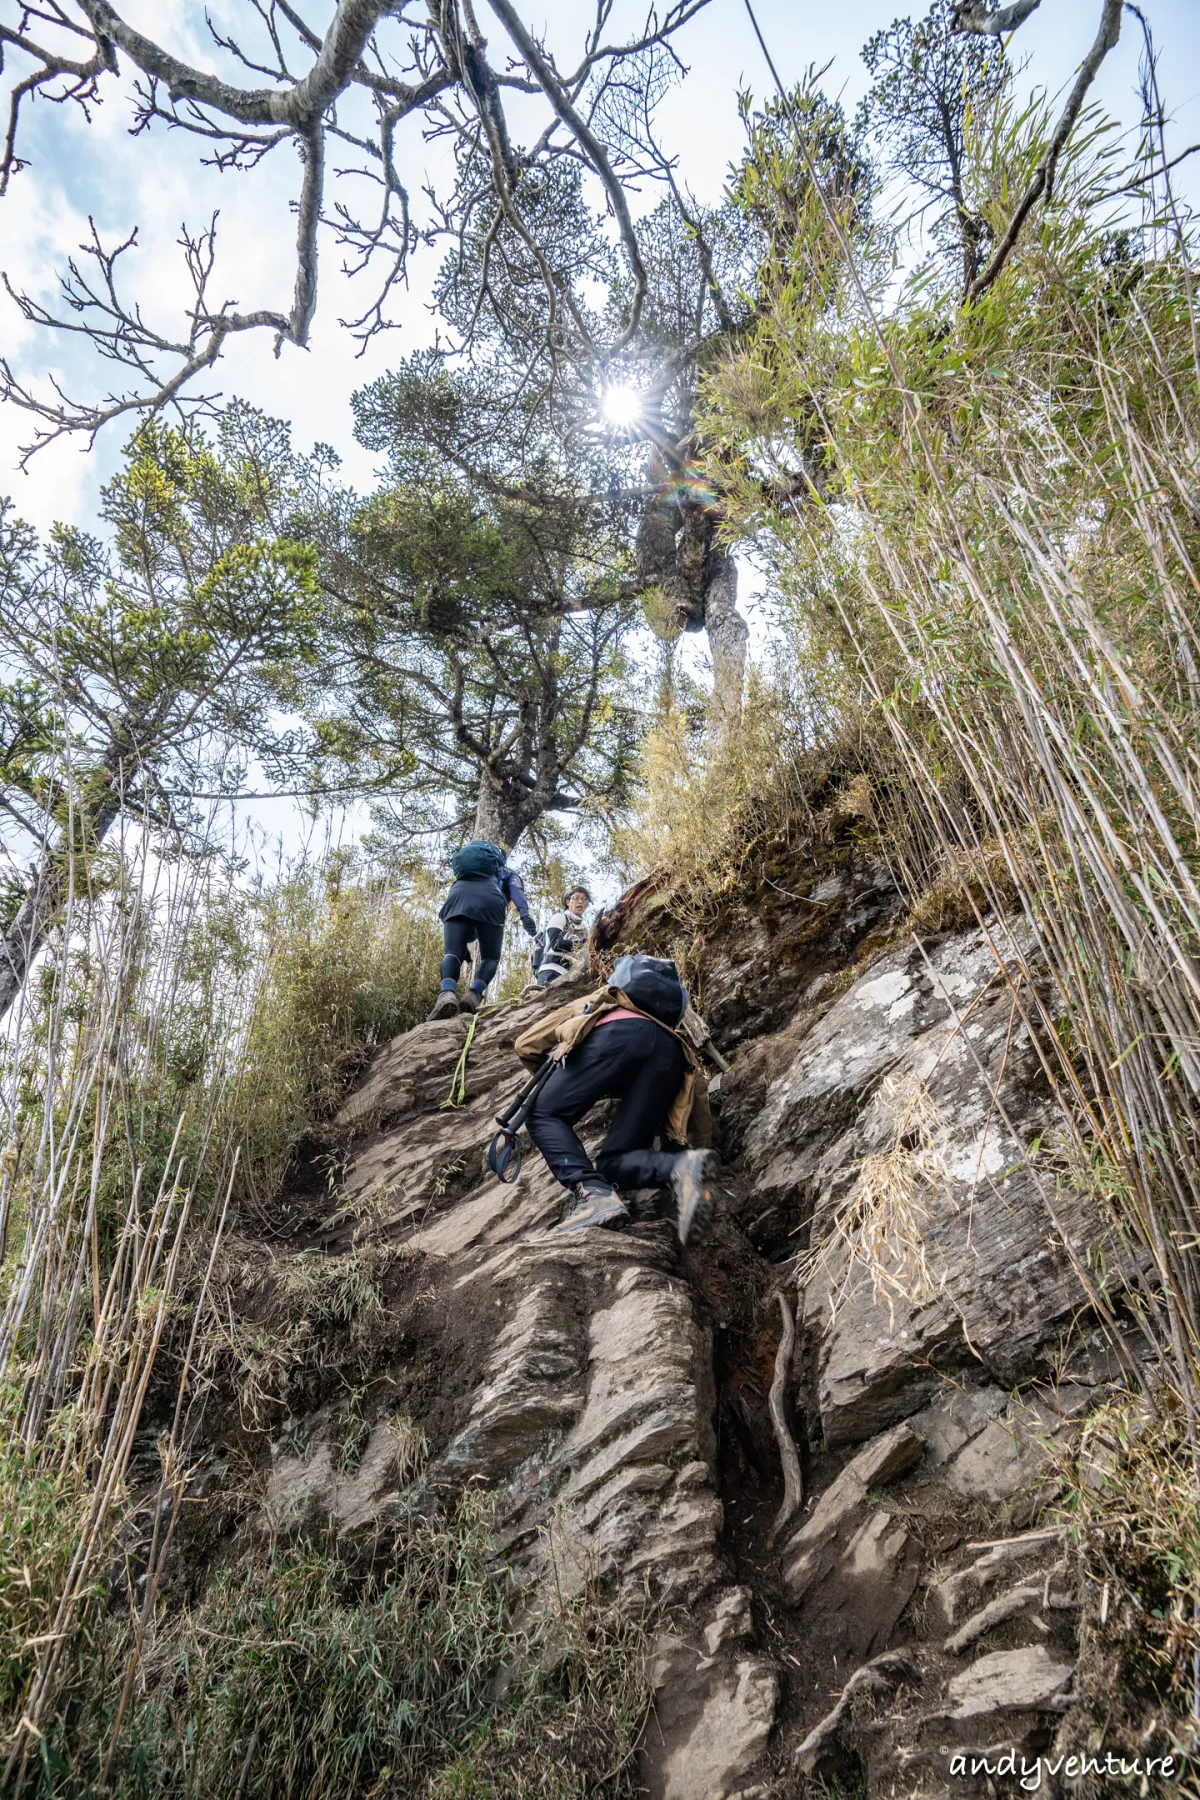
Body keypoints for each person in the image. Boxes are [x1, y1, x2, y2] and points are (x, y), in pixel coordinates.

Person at [512, 953, 720, 1242]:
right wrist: (699, 1145)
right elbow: (697, 1115)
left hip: (615, 1037)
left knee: (543, 1113)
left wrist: (570, 1083)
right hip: (671, 1056)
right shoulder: (669, 1026)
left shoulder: (605, 998)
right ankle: (681, 1167)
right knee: (615, 1163)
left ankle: (594, 1195)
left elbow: (526, 1045)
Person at [428, 838, 536, 1021]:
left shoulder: (467, 872)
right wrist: (525, 916)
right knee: (490, 957)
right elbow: (517, 892)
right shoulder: (507, 873)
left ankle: (446, 993)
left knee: (451, 953)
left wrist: (462, 948)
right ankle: (474, 994)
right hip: (491, 900)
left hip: (458, 895)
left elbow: (466, 924)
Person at [534, 886, 591, 986]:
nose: (580, 902)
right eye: (576, 898)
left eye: (584, 899)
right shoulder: (559, 917)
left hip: (570, 974)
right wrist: (583, 944)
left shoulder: (583, 930)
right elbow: (556, 944)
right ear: (567, 902)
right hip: (551, 970)